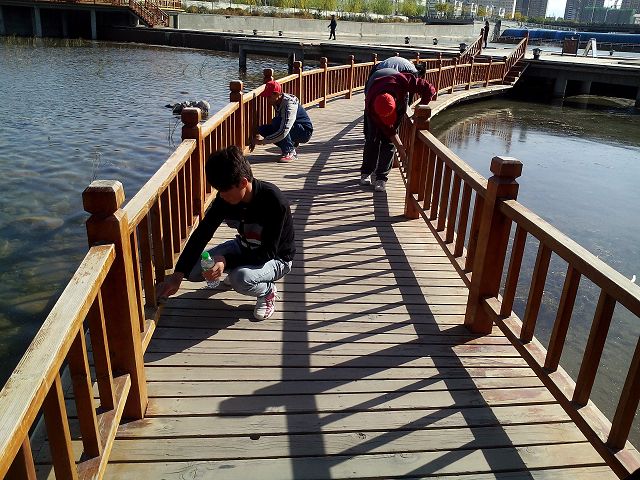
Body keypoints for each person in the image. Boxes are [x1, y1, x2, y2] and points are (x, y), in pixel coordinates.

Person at [156, 146, 295, 321]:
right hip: (243, 246)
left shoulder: (274, 201)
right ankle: (236, 267)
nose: (221, 196)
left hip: (277, 258)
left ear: (243, 183)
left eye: (224, 191)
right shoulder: (225, 198)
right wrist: (177, 275)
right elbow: (202, 233)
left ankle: (267, 291)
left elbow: (267, 253)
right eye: (218, 190)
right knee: (193, 271)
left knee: (240, 278)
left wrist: (226, 260)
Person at [361, 72, 436, 192]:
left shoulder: (403, 81)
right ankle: (366, 172)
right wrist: (402, 150)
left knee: (388, 142)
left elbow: (430, 89)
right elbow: (389, 131)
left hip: (398, 92)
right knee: (372, 138)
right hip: (375, 85)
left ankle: (381, 178)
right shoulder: (371, 105)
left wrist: (420, 107)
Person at [252, 80, 313, 163]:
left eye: (269, 96)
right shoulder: (277, 101)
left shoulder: (289, 105)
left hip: (304, 132)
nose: (267, 99)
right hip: (293, 128)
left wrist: (262, 142)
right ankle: (292, 143)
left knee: (277, 122)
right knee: (263, 129)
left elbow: (284, 130)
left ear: (277, 94)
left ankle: (290, 152)